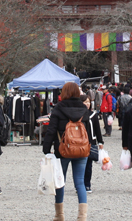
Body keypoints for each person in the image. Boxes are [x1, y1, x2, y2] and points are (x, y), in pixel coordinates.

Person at [43, 83, 90, 221]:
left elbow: (51, 130)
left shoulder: (59, 108)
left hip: (62, 150)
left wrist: (47, 149)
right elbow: (88, 131)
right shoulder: (84, 108)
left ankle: (59, 215)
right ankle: (82, 216)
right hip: (81, 150)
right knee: (80, 182)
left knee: (60, 181)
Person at [80, 94, 103, 194]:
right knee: (80, 165)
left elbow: (97, 129)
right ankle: (79, 185)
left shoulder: (93, 115)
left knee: (89, 165)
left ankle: (87, 184)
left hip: (91, 142)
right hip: (79, 143)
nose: (87, 104)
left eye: (88, 102)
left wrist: (100, 141)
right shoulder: (77, 114)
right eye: (85, 102)